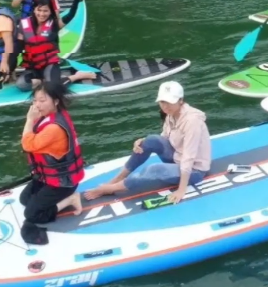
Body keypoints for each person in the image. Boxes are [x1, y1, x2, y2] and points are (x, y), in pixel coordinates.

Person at [83, 81, 212, 205]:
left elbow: (189, 158)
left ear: (181, 100)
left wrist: (181, 190)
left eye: (170, 102)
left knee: (154, 169)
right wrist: (143, 142)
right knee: (150, 140)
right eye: (162, 102)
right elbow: (164, 138)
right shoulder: (171, 114)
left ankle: (110, 188)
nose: (165, 106)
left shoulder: (192, 122)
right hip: (177, 157)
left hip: (194, 170)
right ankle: (117, 179)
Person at [19, 80, 85, 245]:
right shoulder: (52, 115)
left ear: (55, 101)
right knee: (24, 199)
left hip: (62, 183)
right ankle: (61, 199)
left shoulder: (54, 128)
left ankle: (70, 200)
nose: (37, 105)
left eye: (42, 100)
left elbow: (27, 145)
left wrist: (29, 120)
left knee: (31, 215)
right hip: (47, 176)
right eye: (35, 100)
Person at [15, 0, 96, 92]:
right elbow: (18, 47)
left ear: (50, 12)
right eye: (39, 10)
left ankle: (76, 76)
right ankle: (42, 81)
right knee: (21, 85)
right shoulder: (23, 25)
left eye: (45, 11)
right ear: (34, 10)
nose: (42, 14)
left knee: (52, 88)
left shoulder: (54, 24)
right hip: (32, 67)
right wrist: (10, 68)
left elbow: (70, 15)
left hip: (50, 64)